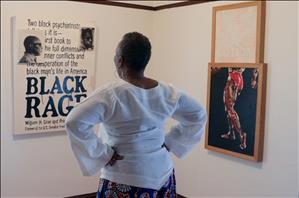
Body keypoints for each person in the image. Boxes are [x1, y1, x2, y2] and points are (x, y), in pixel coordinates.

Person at [65, 32, 207, 198]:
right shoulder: (168, 92)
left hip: (125, 175)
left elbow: (73, 121)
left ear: (120, 61)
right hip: (162, 171)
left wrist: (102, 154)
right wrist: (172, 141)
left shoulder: (111, 94)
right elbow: (198, 114)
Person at [220, 67, 258, 150]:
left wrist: (254, 79)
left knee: (230, 109)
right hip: (237, 80)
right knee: (228, 109)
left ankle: (241, 135)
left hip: (233, 80)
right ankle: (231, 133)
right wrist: (254, 79)